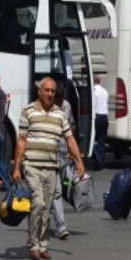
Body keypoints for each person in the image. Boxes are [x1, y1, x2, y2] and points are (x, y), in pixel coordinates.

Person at [12, 77, 85, 260]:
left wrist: (79, 161)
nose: (50, 94)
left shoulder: (60, 114)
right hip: (32, 166)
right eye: (47, 90)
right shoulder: (28, 111)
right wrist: (17, 166)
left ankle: (43, 244)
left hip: (52, 168)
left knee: (46, 209)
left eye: (53, 91)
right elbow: (21, 140)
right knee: (38, 203)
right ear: (39, 91)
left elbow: (70, 139)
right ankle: (33, 244)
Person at [50, 83, 74, 240]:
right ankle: (61, 226)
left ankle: (47, 219)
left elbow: (70, 127)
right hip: (51, 155)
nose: (60, 103)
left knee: (68, 185)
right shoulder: (48, 107)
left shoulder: (66, 106)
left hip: (64, 153)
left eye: (61, 100)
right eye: (57, 100)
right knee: (57, 190)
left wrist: (73, 150)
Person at [92, 75, 109, 171]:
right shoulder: (105, 92)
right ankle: (100, 163)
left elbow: (94, 105)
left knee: (92, 141)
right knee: (101, 142)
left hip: (97, 116)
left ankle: (97, 159)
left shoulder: (94, 92)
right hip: (104, 117)